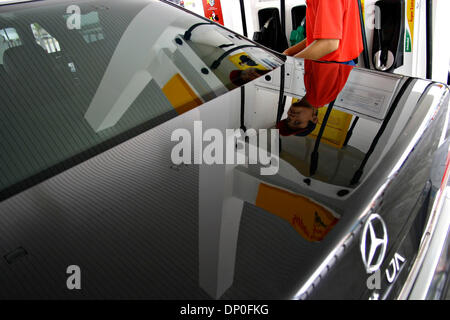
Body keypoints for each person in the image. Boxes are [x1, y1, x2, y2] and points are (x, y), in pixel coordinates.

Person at [277, 60, 354, 136]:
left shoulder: (312, 93)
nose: (291, 117)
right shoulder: (319, 97)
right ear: (314, 119)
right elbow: (326, 55)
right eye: (297, 122)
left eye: (288, 119)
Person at [282, 0, 363, 64]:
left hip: (331, 70)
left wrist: (291, 63)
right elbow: (322, 37)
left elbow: (329, 43)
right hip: (336, 66)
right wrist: (289, 52)